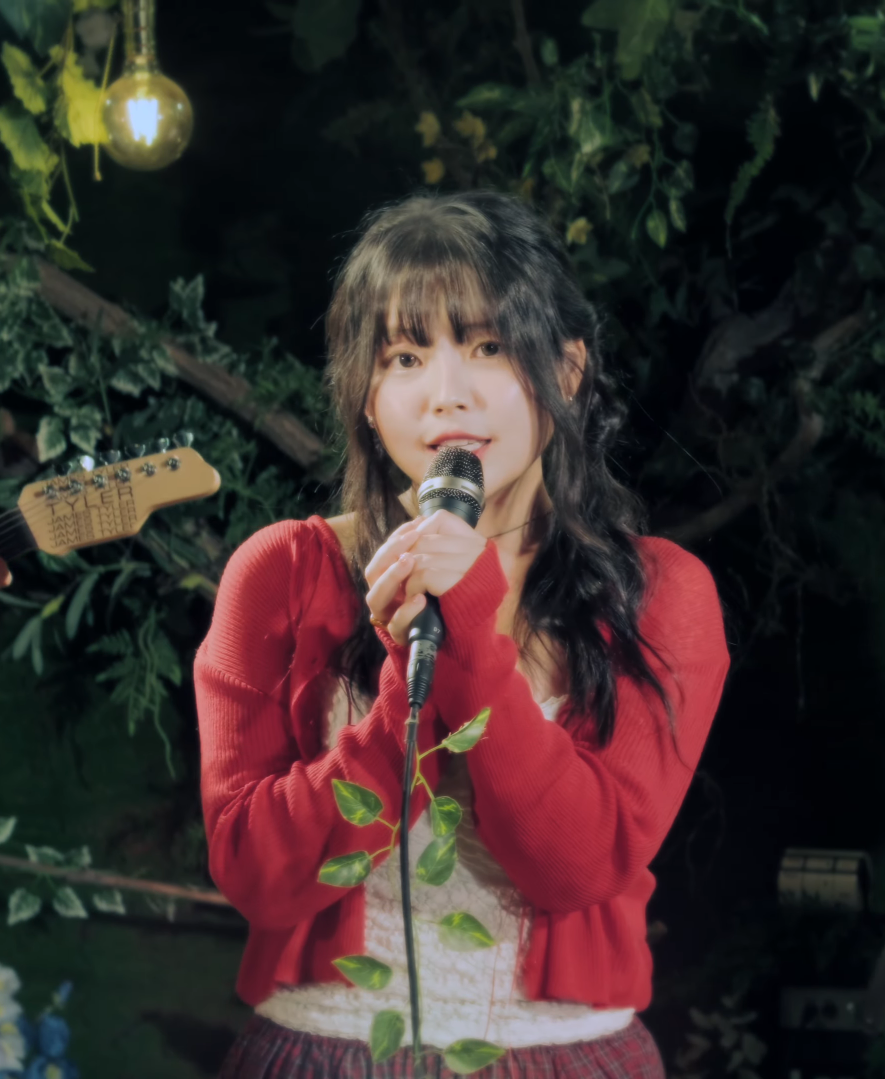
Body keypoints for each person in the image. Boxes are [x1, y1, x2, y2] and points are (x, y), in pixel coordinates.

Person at [194, 190, 730, 1079]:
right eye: (405, 356)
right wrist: (401, 689)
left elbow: (578, 863)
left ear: (566, 369)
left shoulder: (659, 593)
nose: (447, 394)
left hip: (559, 1057)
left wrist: (470, 631)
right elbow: (255, 872)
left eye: (487, 347)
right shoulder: (281, 572)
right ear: (368, 397)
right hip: (323, 1050)